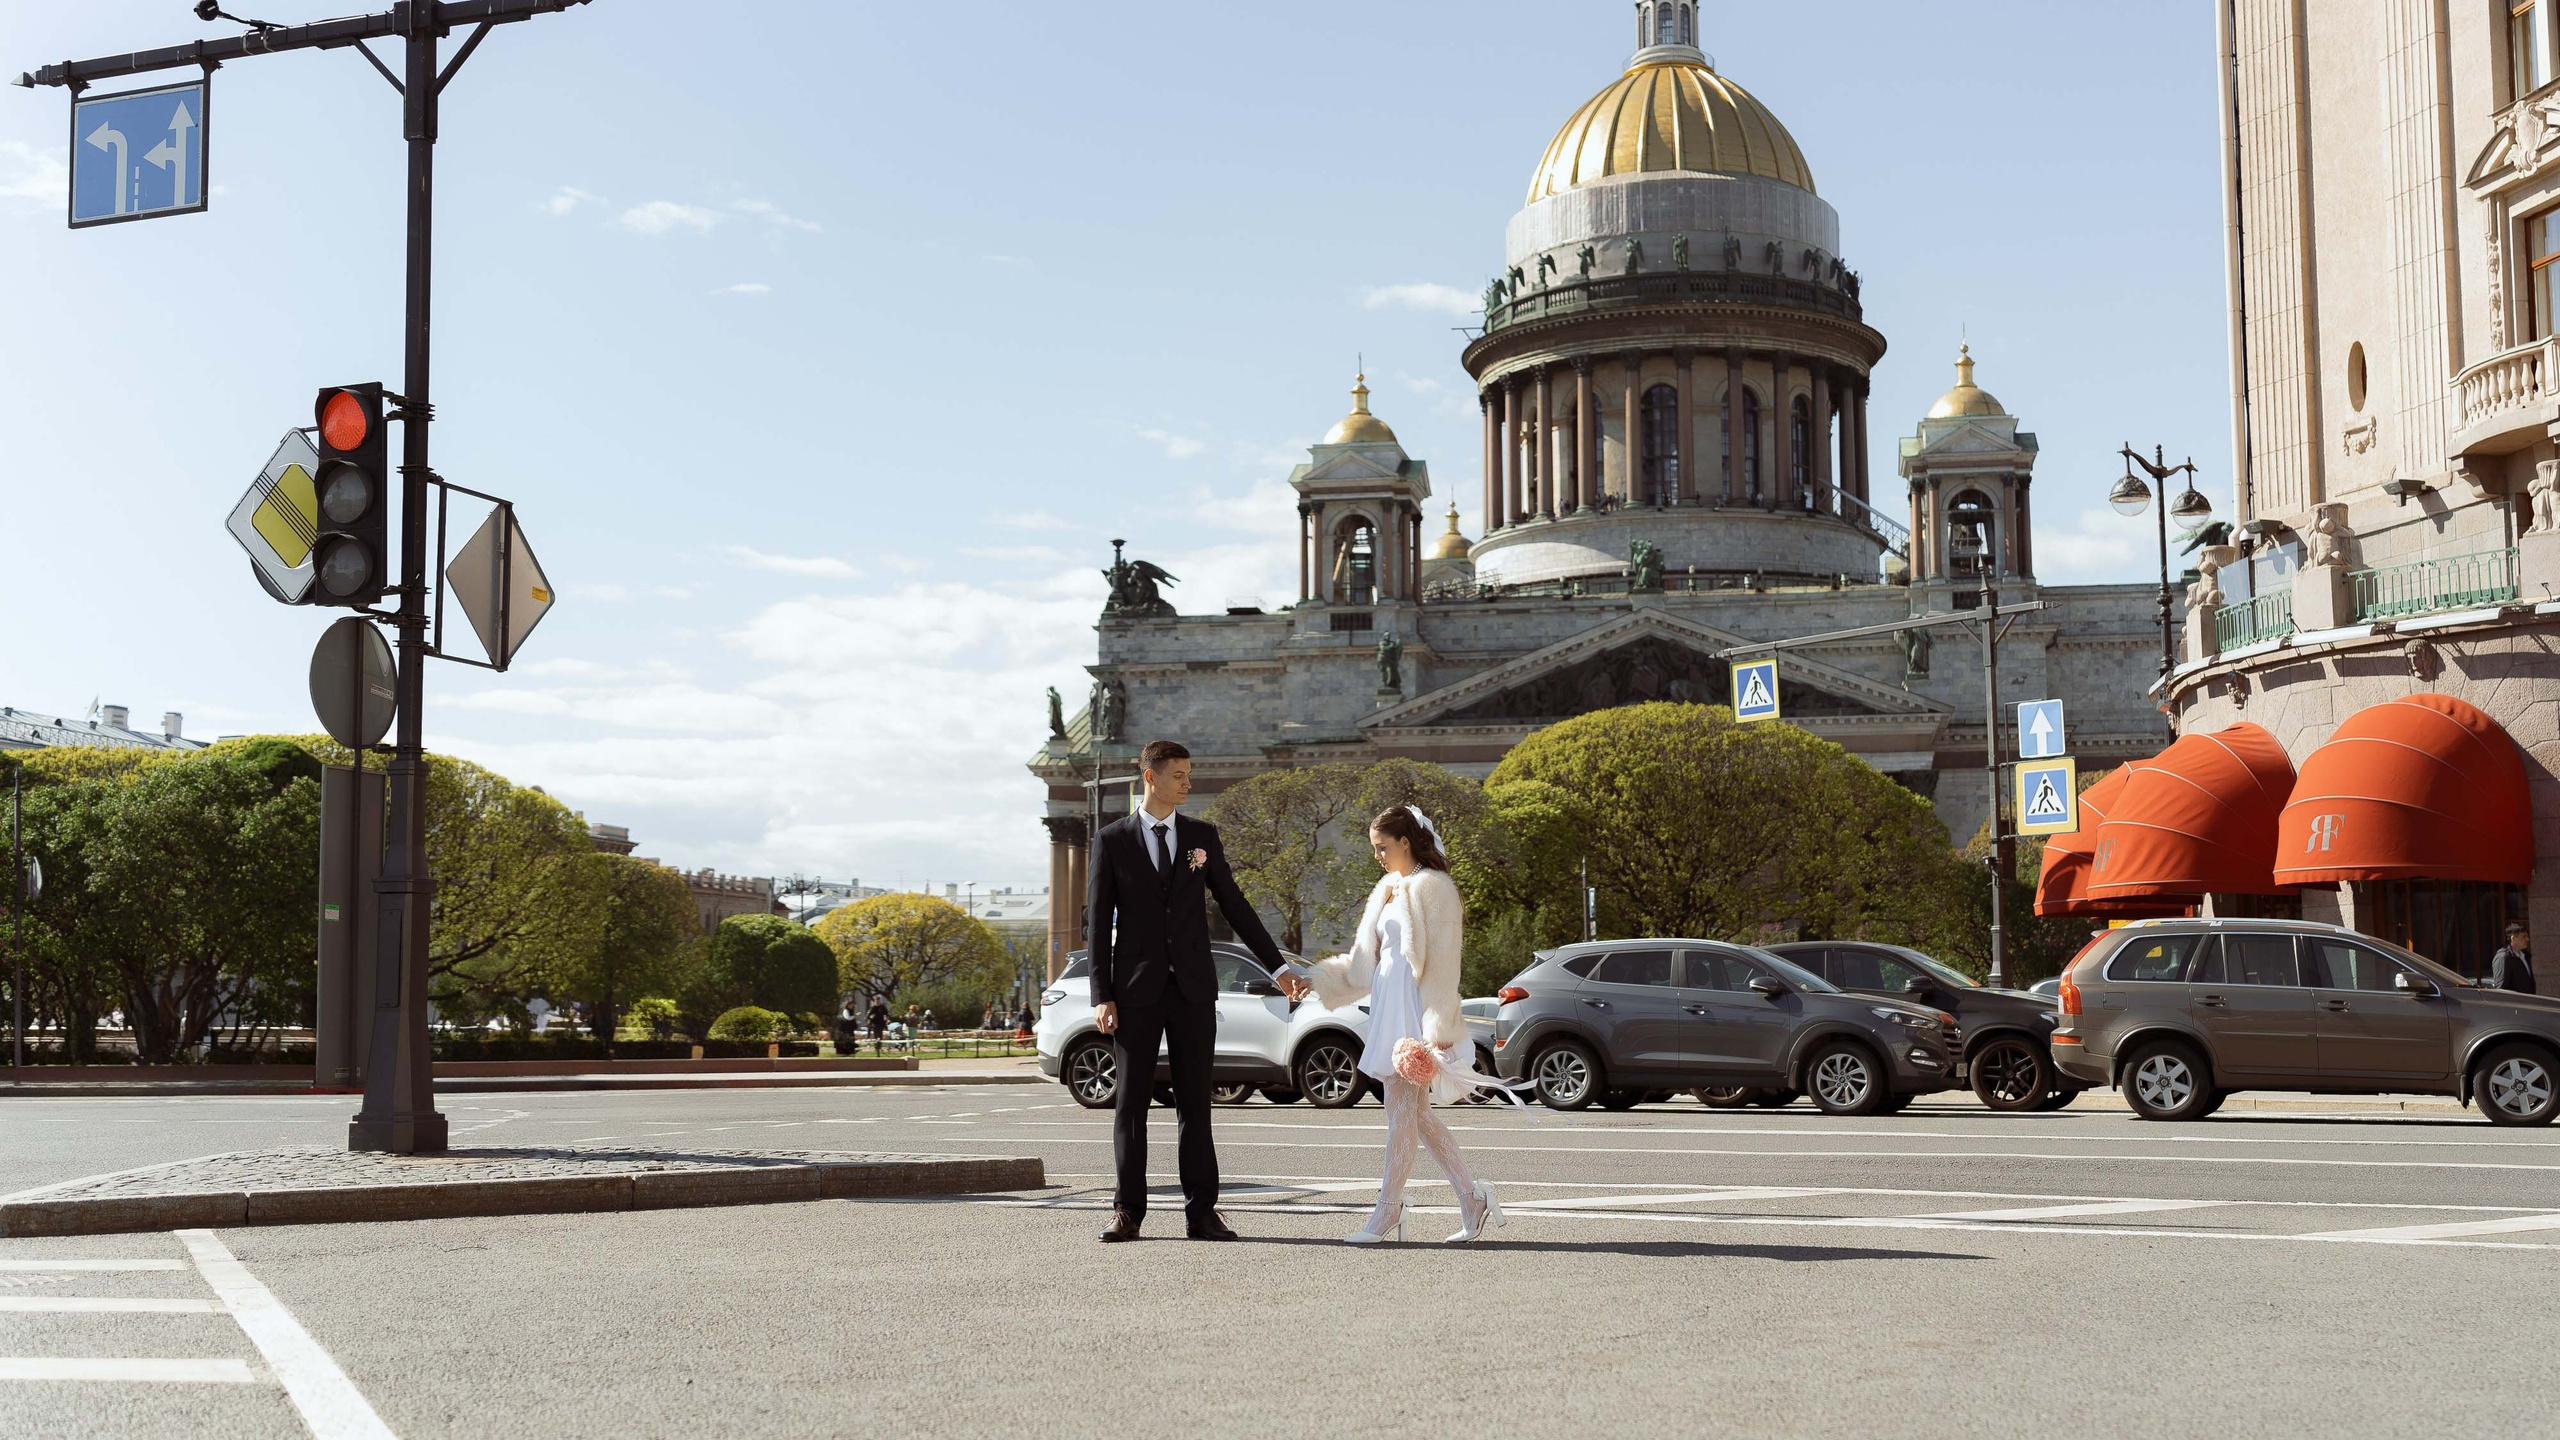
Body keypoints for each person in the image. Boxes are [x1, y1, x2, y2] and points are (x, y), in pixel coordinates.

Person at [1088, 738, 1307, 1243]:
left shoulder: (1201, 836)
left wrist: (1278, 967)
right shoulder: (1112, 840)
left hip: (1193, 990)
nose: (1188, 783)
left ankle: (1202, 1213)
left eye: (1189, 774)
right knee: (1130, 1106)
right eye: (1179, 775)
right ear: (1151, 777)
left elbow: (1236, 906)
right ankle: (1127, 1211)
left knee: (1196, 1105)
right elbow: (1098, 923)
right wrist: (1102, 994)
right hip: (1135, 993)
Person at [1299, 805, 1507, 1245]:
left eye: (1383, 847)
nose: (1377, 855)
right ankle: (1471, 1198)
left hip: (1413, 1009)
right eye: (1374, 848)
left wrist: (1437, 1031)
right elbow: (1365, 963)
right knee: (1417, 1114)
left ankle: (1389, 1210)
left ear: (1406, 842)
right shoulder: (1388, 888)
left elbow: (1444, 968)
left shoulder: (1434, 887)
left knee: (1400, 1112)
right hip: (1389, 1005)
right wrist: (1315, 981)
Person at [2484, 923, 2536, 994]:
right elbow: (2501, 988)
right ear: (2513, 938)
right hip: (2515, 1000)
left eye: (2527, 936)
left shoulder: (2525, 955)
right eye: (2524, 937)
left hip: (2529, 999)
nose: (2527, 939)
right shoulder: (2503, 957)